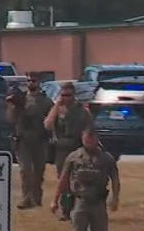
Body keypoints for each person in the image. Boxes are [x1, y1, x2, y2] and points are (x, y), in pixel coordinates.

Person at [51, 127, 120, 231]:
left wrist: (115, 198)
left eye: (92, 139)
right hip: (80, 202)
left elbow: (115, 179)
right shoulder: (74, 157)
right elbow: (63, 179)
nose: (89, 142)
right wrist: (55, 200)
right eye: (87, 139)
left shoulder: (106, 158)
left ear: (97, 139)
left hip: (98, 203)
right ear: (82, 138)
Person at [44, 81, 92, 220]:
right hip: (61, 150)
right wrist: (56, 107)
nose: (66, 98)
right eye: (63, 95)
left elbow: (88, 128)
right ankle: (66, 210)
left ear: (74, 95)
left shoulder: (82, 110)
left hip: (77, 148)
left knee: (77, 179)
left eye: (68, 95)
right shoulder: (57, 109)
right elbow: (47, 125)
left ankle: (77, 209)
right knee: (63, 180)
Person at [6, 74, 52, 208]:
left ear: (39, 82)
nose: (31, 83)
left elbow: (51, 119)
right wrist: (12, 105)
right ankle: (26, 198)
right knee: (25, 171)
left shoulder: (46, 101)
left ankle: (36, 198)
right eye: (28, 81)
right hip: (23, 141)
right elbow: (10, 119)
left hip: (39, 140)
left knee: (38, 171)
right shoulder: (20, 99)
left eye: (33, 80)